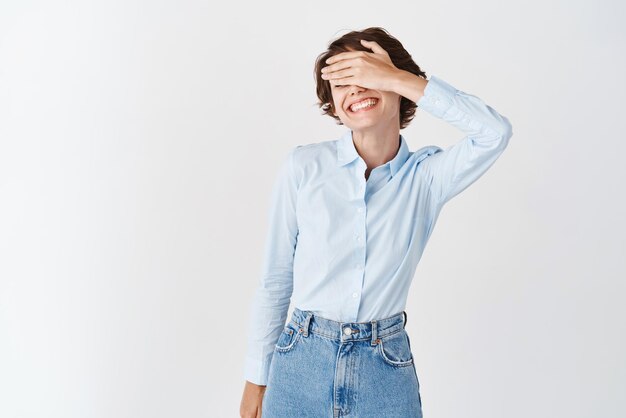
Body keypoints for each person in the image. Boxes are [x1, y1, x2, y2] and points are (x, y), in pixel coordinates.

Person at [239, 26, 513, 418]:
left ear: (398, 84)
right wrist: (255, 381)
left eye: (368, 75)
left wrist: (397, 77)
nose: (357, 88)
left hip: (384, 368)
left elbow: (494, 133)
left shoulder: (426, 177)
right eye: (343, 83)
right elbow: (275, 280)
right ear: (332, 104)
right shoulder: (304, 167)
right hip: (299, 362)